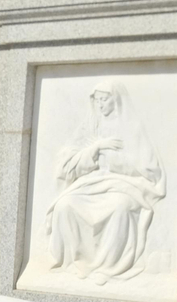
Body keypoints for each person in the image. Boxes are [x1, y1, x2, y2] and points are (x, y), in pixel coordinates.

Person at [44, 83, 165, 286]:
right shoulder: (90, 126)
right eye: (97, 100)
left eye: (105, 99)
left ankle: (107, 267)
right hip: (92, 182)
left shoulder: (131, 127)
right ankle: (75, 263)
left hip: (124, 183)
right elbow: (68, 162)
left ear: (116, 99)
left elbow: (148, 167)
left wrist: (114, 159)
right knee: (65, 205)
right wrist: (95, 149)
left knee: (120, 207)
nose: (100, 105)